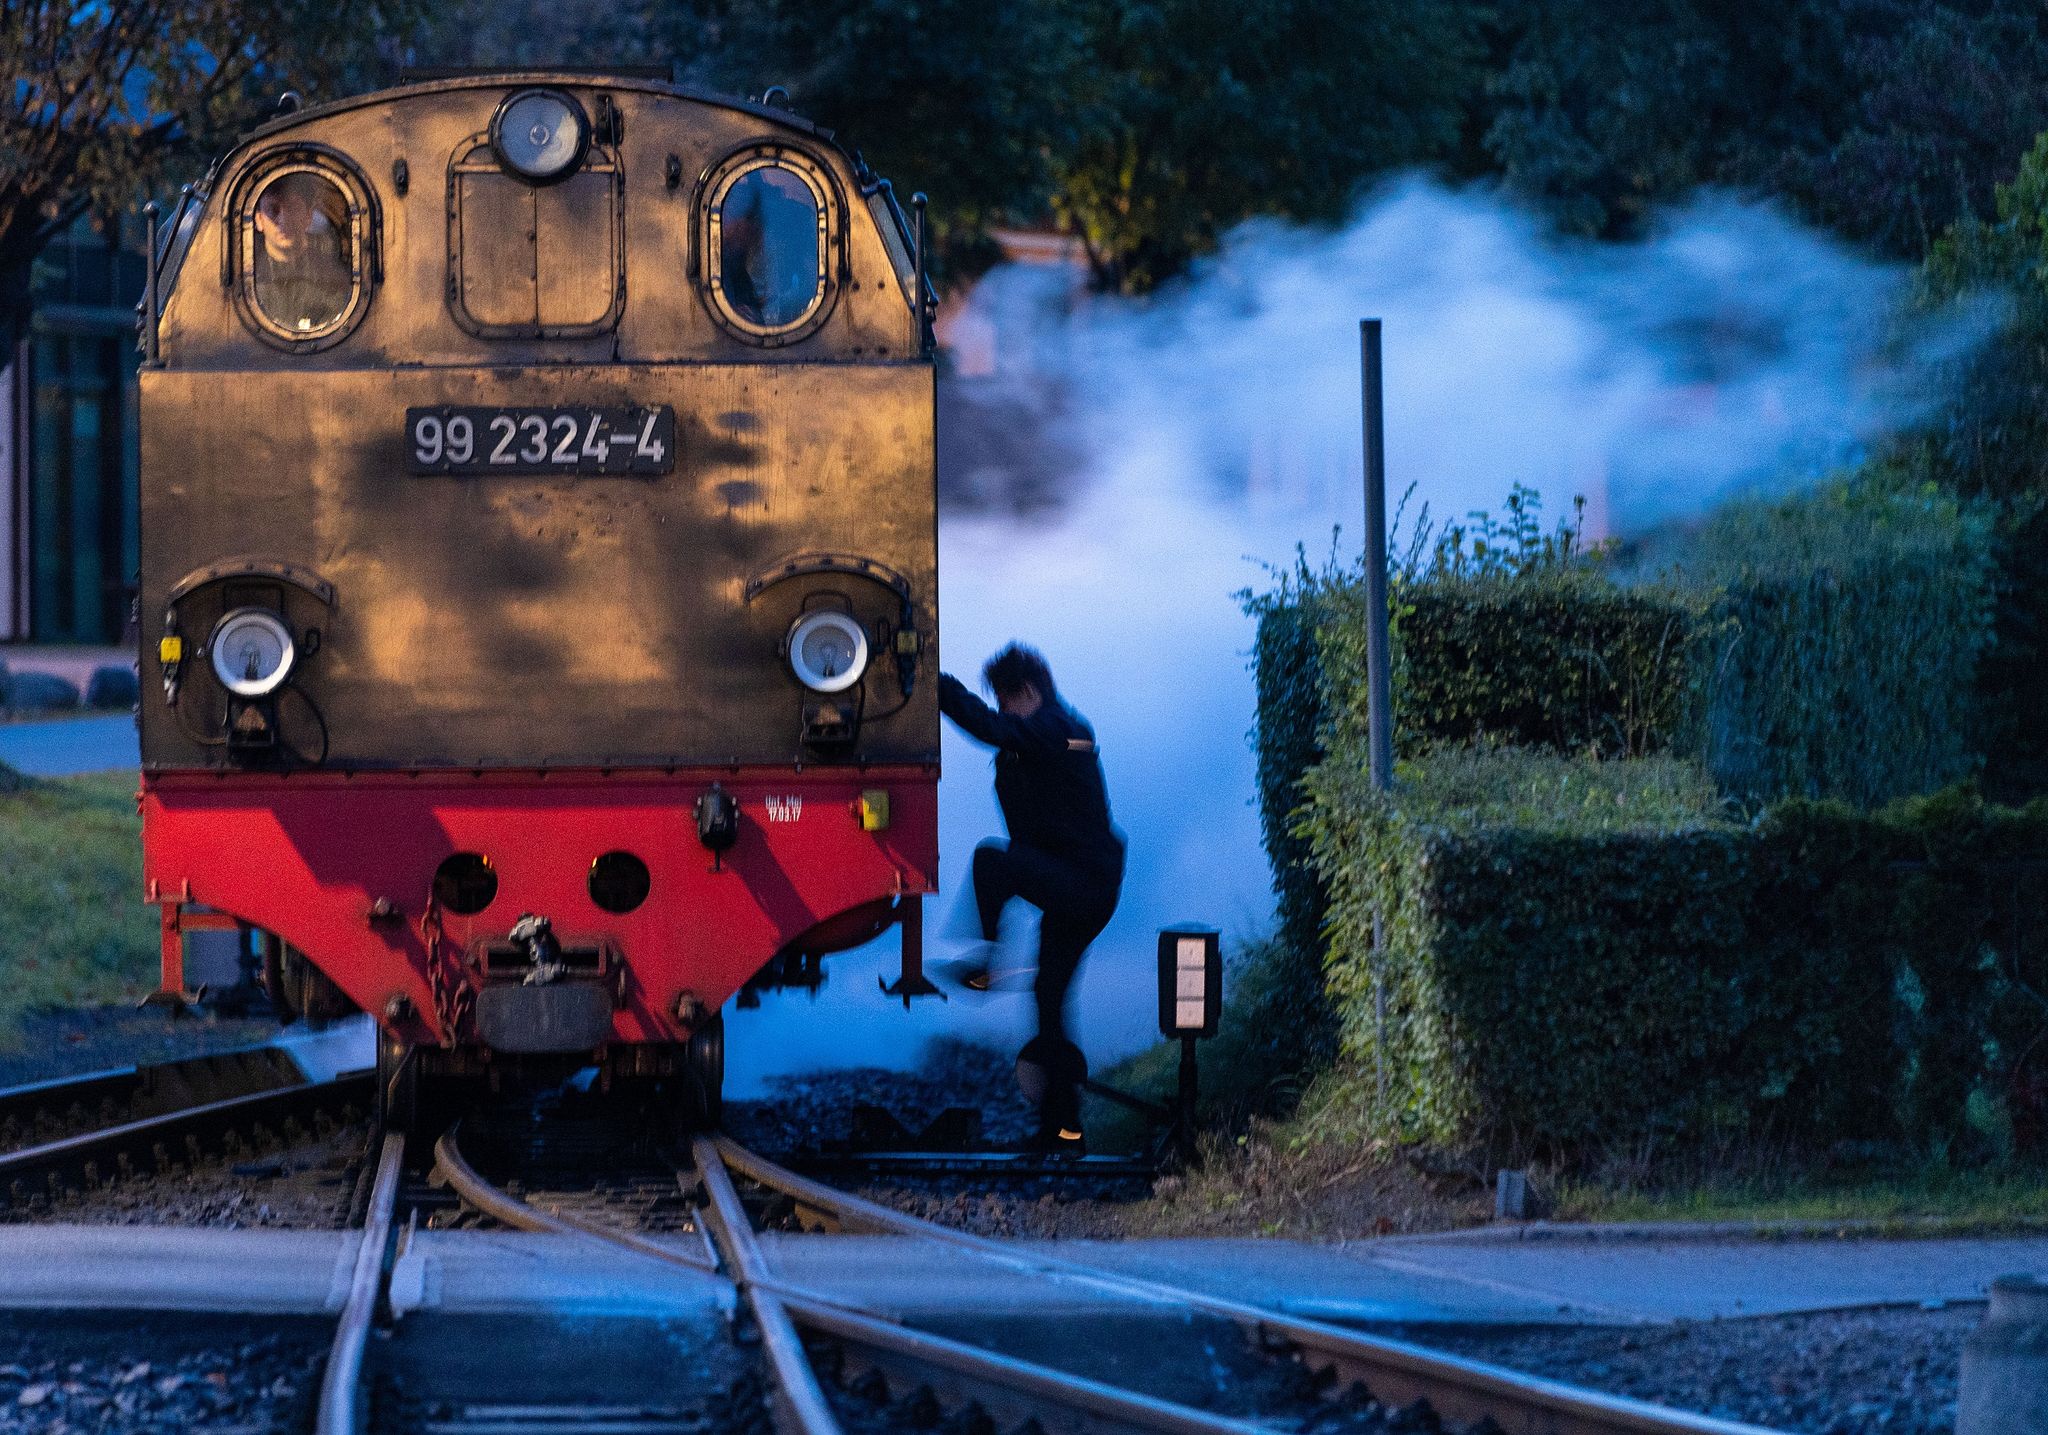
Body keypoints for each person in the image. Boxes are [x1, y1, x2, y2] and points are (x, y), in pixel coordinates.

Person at [938, 644, 1125, 1158]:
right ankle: (1063, 1133)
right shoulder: (1038, 737)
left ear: (1028, 691)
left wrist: (937, 687)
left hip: (1084, 884)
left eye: (1004, 699)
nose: (1001, 710)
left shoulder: (1058, 728)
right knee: (1048, 1000)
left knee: (991, 861)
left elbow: (992, 728)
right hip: (1072, 885)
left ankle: (987, 967)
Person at [251, 172, 353, 332]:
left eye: (293, 208)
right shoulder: (246, 276)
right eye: (272, 209)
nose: (283, 220)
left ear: (308, 216)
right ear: (259, 220)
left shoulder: (333, 276)